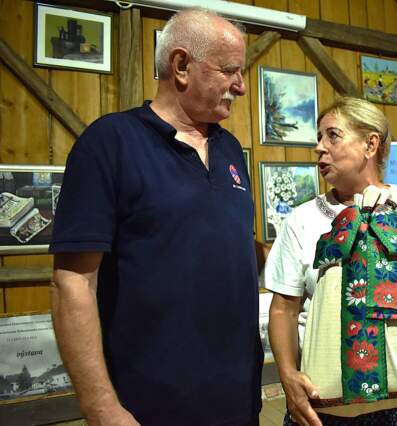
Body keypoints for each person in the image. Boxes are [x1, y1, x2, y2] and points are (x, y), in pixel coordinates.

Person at [49, 9, 262, 425]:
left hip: (239, 401)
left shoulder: (231, 150)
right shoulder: (110, 142)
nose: (240, 85)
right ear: (181, 65)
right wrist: (101, 407)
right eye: (229, 71)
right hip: (149, 407)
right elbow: (72, 282)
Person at [265, 97, 397, 426]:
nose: (319, 147)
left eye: (332, 135)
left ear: (371, 144)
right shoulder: (303, 219)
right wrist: (287, 376)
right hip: (324, 397)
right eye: (319, 137)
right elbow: (283, 308)